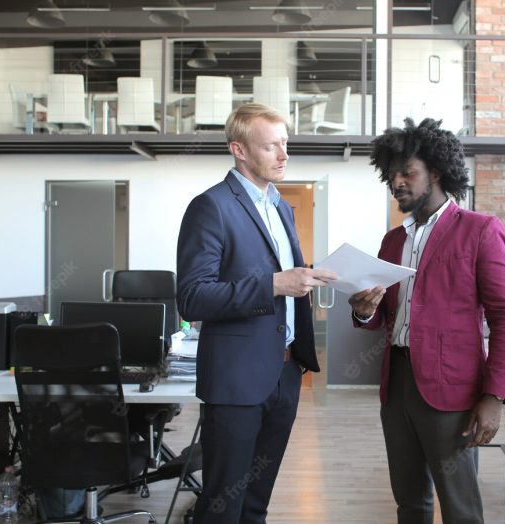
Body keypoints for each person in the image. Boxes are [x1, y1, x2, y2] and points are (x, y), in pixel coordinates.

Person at [349, 117, 505, 524]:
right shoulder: (393, 240)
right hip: (397, 387)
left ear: (436, 172)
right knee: (410, 504)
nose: (397, 182)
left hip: (454, 394)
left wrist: (494, 397)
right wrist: (364, 310)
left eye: (407, 172)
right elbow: (382, 315)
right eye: (392, 174)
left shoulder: (480, 231)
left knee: (461, 510)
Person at [176, 103, 337, 524]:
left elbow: (284, 283)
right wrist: (273, 285)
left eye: (285, 144)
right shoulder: (210, 207)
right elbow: (192, 298)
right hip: (235, 380)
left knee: (255, 503)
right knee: (222, 506)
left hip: (284, 376)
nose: (284, 155)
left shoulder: (280, 207)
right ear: (240, 150)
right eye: (271, 146)